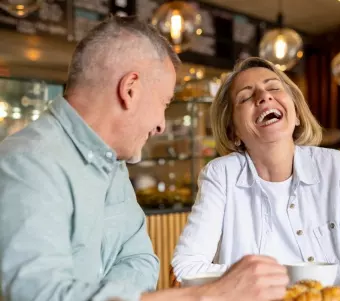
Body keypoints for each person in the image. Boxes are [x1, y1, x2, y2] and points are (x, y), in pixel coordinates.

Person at [0, 16, 289, 301]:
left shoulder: (113, 165)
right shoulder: (26, 162)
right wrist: (208, 295)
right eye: (164, 102)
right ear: (130, 90)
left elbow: (141, 260)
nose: (162, 124)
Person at [172, 57, 340, 299]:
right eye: (246, 97)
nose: (264, 97)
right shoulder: (220, 174)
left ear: (297, 113)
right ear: (233, 131)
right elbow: (186, 269)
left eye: (274, 87)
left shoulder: (336, 166)